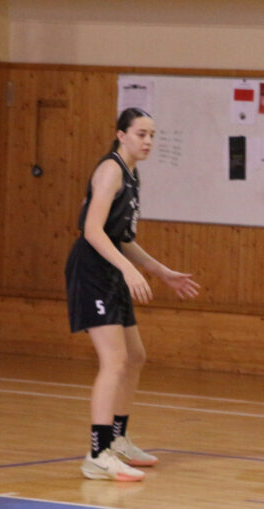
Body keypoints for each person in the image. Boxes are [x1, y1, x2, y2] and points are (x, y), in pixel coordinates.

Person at [65, 108, 200, 481]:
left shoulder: (132, 174)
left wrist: (161, 271)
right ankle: (98, 454)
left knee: (135, 356)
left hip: (110, 270)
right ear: (121, 135)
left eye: (152, 135)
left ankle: (118, 439)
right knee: (114, 361)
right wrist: (127, 270)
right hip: (92, 271)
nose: (148, 141)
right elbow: (93, 230)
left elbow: (122, 239)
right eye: (141, 134)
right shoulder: (110, 170)